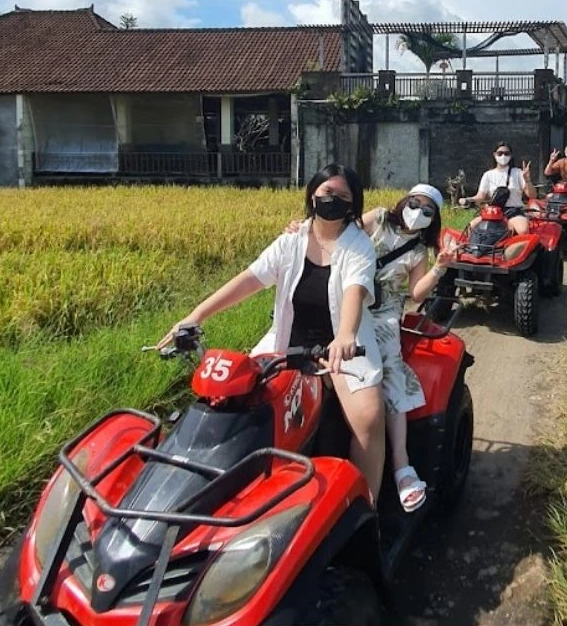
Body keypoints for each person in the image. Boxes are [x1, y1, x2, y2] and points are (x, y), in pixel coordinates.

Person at [156, 164, 386, 502]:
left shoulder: (358, 246)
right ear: (312, 194)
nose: (332, 200)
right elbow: (251, 279)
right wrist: (196, 315)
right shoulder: (291, 240)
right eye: (326, 193)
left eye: (341, 196)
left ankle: (367, 506)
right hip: (286, 343)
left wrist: (346, 335)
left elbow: (355, 290)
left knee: (368, 418)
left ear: (353, 204)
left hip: (341, 350)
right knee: (231, 402)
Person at [285, 183, 457, 512]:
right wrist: (303, 229)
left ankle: (401, 467)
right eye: (415, 203)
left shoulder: (419, 251)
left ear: (433, 218)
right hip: (343, 299)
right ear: (404, 200)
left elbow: (417, 294)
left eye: (427, 210)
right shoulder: (377, 219)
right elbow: (339, 233)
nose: (418, 212)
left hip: (382, 316)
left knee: (388, 368)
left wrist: (440, 266)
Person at [457, 142, 536, 236]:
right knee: (470, 229)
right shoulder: (488, 175)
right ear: (494, 155)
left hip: (513, 212)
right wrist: (467, 200)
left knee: (523, 230)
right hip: (492, 212)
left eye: (506, 153)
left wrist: (527, 180)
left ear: (511, 155)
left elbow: (532, 195)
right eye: (500, 153)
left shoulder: (518, 173)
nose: (503, 156)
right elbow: (480, 196)